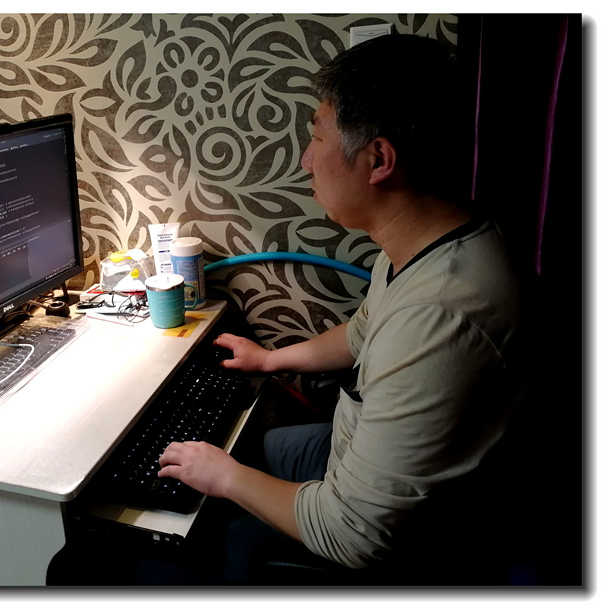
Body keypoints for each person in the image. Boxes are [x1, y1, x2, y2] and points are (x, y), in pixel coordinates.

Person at [157, 33, 526, 581]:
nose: (307, 160)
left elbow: (353, 533)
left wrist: (225, 477)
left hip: (395, 539)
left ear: (378, 160)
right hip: (351, 449)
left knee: (209, 529)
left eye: (317, 137)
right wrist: (270, 359)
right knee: (259, 442)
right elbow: (362, 332)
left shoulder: (440, 315)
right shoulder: (425, 245)